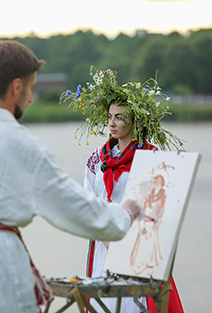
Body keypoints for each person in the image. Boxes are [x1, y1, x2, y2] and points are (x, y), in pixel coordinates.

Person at [0, 41, 143, 313]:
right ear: (16, 86)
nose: (31, 98)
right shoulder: (21, 144)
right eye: (30, 88)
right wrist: (124, 214)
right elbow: (73, 208)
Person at [59, 67, 184, 313]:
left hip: (136, 246)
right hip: (104, 244)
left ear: (135, 119)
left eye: (119, 117)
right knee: (102, 303)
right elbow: (89, 203)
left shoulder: (151, 157)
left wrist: (126, 243)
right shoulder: (97, 158)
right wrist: (106, 236)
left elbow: (158, 208)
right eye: (110, 116)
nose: (111, 122)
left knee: (134, 304)